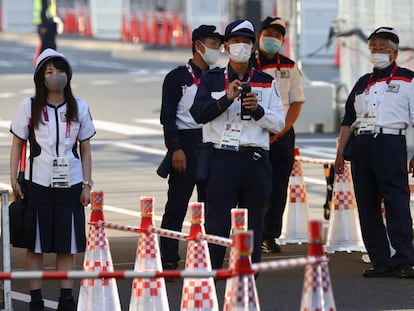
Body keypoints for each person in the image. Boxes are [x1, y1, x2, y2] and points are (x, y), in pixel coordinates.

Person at [190, 19, 285, 269]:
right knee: (217, 223)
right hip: (222, 158)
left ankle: (247, 277)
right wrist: (226, 98)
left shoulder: (266, 80)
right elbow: (198, 113)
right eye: (235, 41)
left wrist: (258, 111)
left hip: (255, 160)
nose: (240, 45)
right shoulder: (211, 79)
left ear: (253, 46)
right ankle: (211, 276)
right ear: (226, 46)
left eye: (246, 41)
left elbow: (279, 124)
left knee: (253, 224)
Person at [10, 48, 96, 310]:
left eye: (59, 71)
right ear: (40, 77)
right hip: (37, 184)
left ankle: (66, 298)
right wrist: (13, 179)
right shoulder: (29, 106)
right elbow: (17, 144)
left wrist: (87, 185)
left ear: (68, 75)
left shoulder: (79, 106)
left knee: (66, 244)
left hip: (71, 184)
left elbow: (85, 149)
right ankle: (35, 299)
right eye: (49, 72)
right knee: (35, 244)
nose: (55, 75)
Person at [335, 27, 414, 278]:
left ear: (394, 52)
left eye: (383, 48)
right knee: (366, 202)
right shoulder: (362, 83)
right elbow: (348, 119)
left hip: (390, 142)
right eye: (373, 48)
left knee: (396, 201)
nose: (377, 52)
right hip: (361, 144)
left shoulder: (408, 79)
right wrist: (339, 152)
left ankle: (404, 258)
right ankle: (380, 259)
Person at [158, 25, 223, 270]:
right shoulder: (177, 77)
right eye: (213, 43)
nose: (217, 49)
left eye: (219, 44)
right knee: (177, 205)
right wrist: (175, 148)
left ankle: (207, 256)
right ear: (198, 45)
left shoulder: (219, 77)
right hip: (185, 145)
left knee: (212, 206)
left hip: (212, 146)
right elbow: (167, 116)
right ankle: (169, 257)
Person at [251, 16, 305, 253]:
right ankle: (249, 232)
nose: (272, 39)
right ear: (259, 37)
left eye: (277, 36)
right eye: (268, 35)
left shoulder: (290, 66)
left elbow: (296, 103)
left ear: (282, 40)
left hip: (282, 134)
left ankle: (270, 235)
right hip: (254, 132)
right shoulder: (248, 65)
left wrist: (280, 131)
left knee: (278, 186)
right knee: (253, 184)